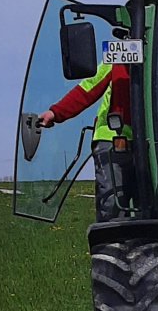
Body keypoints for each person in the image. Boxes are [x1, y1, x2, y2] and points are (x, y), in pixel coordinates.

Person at [39, 62, 134, 221]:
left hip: (155, 142)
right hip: (113, 137)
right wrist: (55, 112)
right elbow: (87, 89)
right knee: (114, 201)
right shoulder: (116, 59)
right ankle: (113, 241)